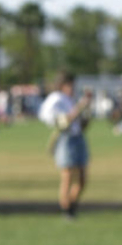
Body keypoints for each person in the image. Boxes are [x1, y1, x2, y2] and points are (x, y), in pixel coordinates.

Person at [38, 72, 92, 218]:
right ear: (62, 85)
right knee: (67, 176)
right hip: (65, 138)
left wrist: (86, 111)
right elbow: (59, 120)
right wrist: (79, 107)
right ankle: (66, 210)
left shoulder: (70, 99)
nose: (73, 87)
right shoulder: (56, 98)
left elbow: (80, 124)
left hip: (78, 137)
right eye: (70, 84)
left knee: (81, 179)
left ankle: (71, 206)